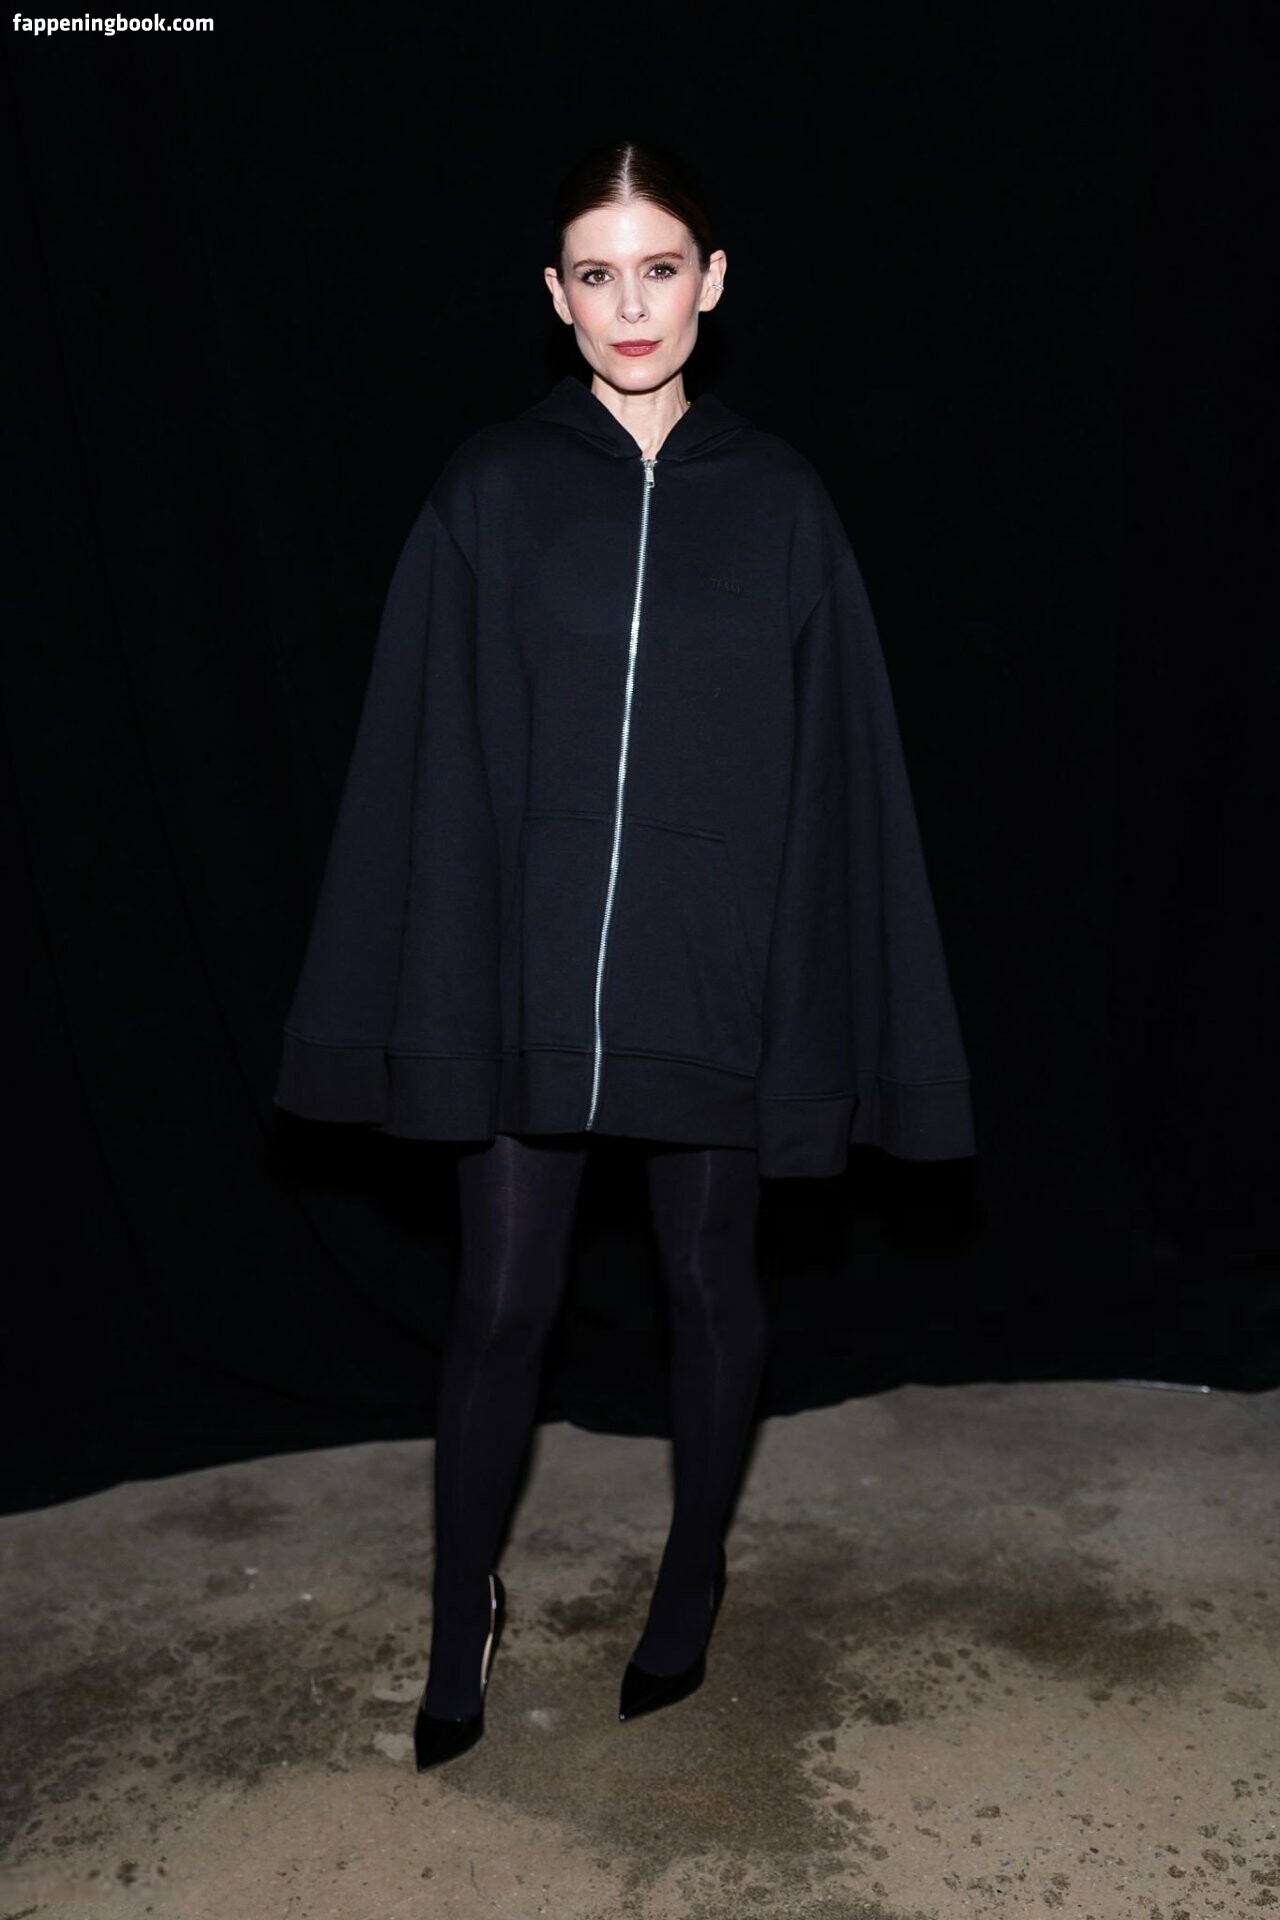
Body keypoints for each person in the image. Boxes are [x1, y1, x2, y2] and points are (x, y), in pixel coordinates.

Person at [273, 139, 976, 1769]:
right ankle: (459, 1612)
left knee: (710, 1284)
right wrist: (443, 986)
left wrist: (803, 993)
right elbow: (428, 760)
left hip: (710, 984)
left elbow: (836, 780)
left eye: (660, 268)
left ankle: (693, 1575)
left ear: (712, 284)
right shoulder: (490, 491)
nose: (631, 303)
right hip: (529, 983)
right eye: (598, 273)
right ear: (556, 296)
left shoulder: (784, 505)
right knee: (500, 1300)